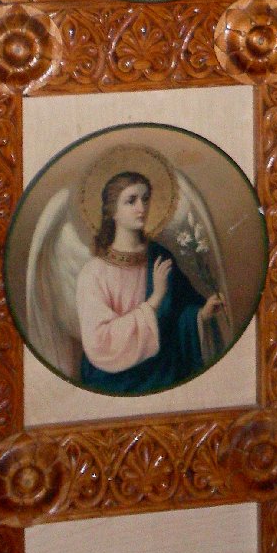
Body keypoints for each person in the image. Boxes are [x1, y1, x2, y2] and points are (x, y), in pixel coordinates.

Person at [75, 169, 225, 394]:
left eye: (145, 199)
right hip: (112, 378)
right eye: (131, 201)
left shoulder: (160, 257)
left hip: (164, 371)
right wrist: (154, 300)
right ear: (112, 211)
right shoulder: (93, 273)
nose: (141, 208)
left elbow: (179, 315)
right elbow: (100, 341)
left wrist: (201, 314)